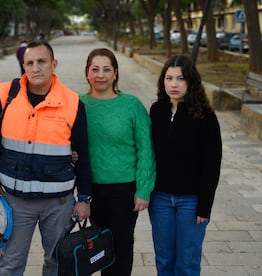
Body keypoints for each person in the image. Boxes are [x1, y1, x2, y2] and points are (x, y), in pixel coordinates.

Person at [0, 40, 92, 275]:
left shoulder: (72, 103)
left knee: (57, 263)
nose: (35, 68)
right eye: (29, 63)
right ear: (23, 66)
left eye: (42, 62)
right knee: (11, 262)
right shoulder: (4, 95)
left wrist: (84, 198)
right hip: (15, 201)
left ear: (54, 64)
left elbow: (82, 154)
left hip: (59, 204)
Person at [79, 48, 156, 276]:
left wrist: (144, 189)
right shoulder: (77, 105)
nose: (100, 75)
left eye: (106, 69)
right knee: (100, 249)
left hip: (124, 190)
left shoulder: (131, 105)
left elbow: (147, 149)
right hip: (91, 189)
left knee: (121, 248)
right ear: (87, 72)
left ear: (115, 73)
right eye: (95, 69)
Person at [149, 55, 222, 276]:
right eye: (169, 78)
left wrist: (205, 205)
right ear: (163, 81)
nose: (174, 84)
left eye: (180, 78)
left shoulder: (205, 117)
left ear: (190, 82)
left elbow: (212, 163)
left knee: (187, 263)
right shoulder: (157, 111)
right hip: (160, 199)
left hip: (191, 202)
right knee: (164, 260)